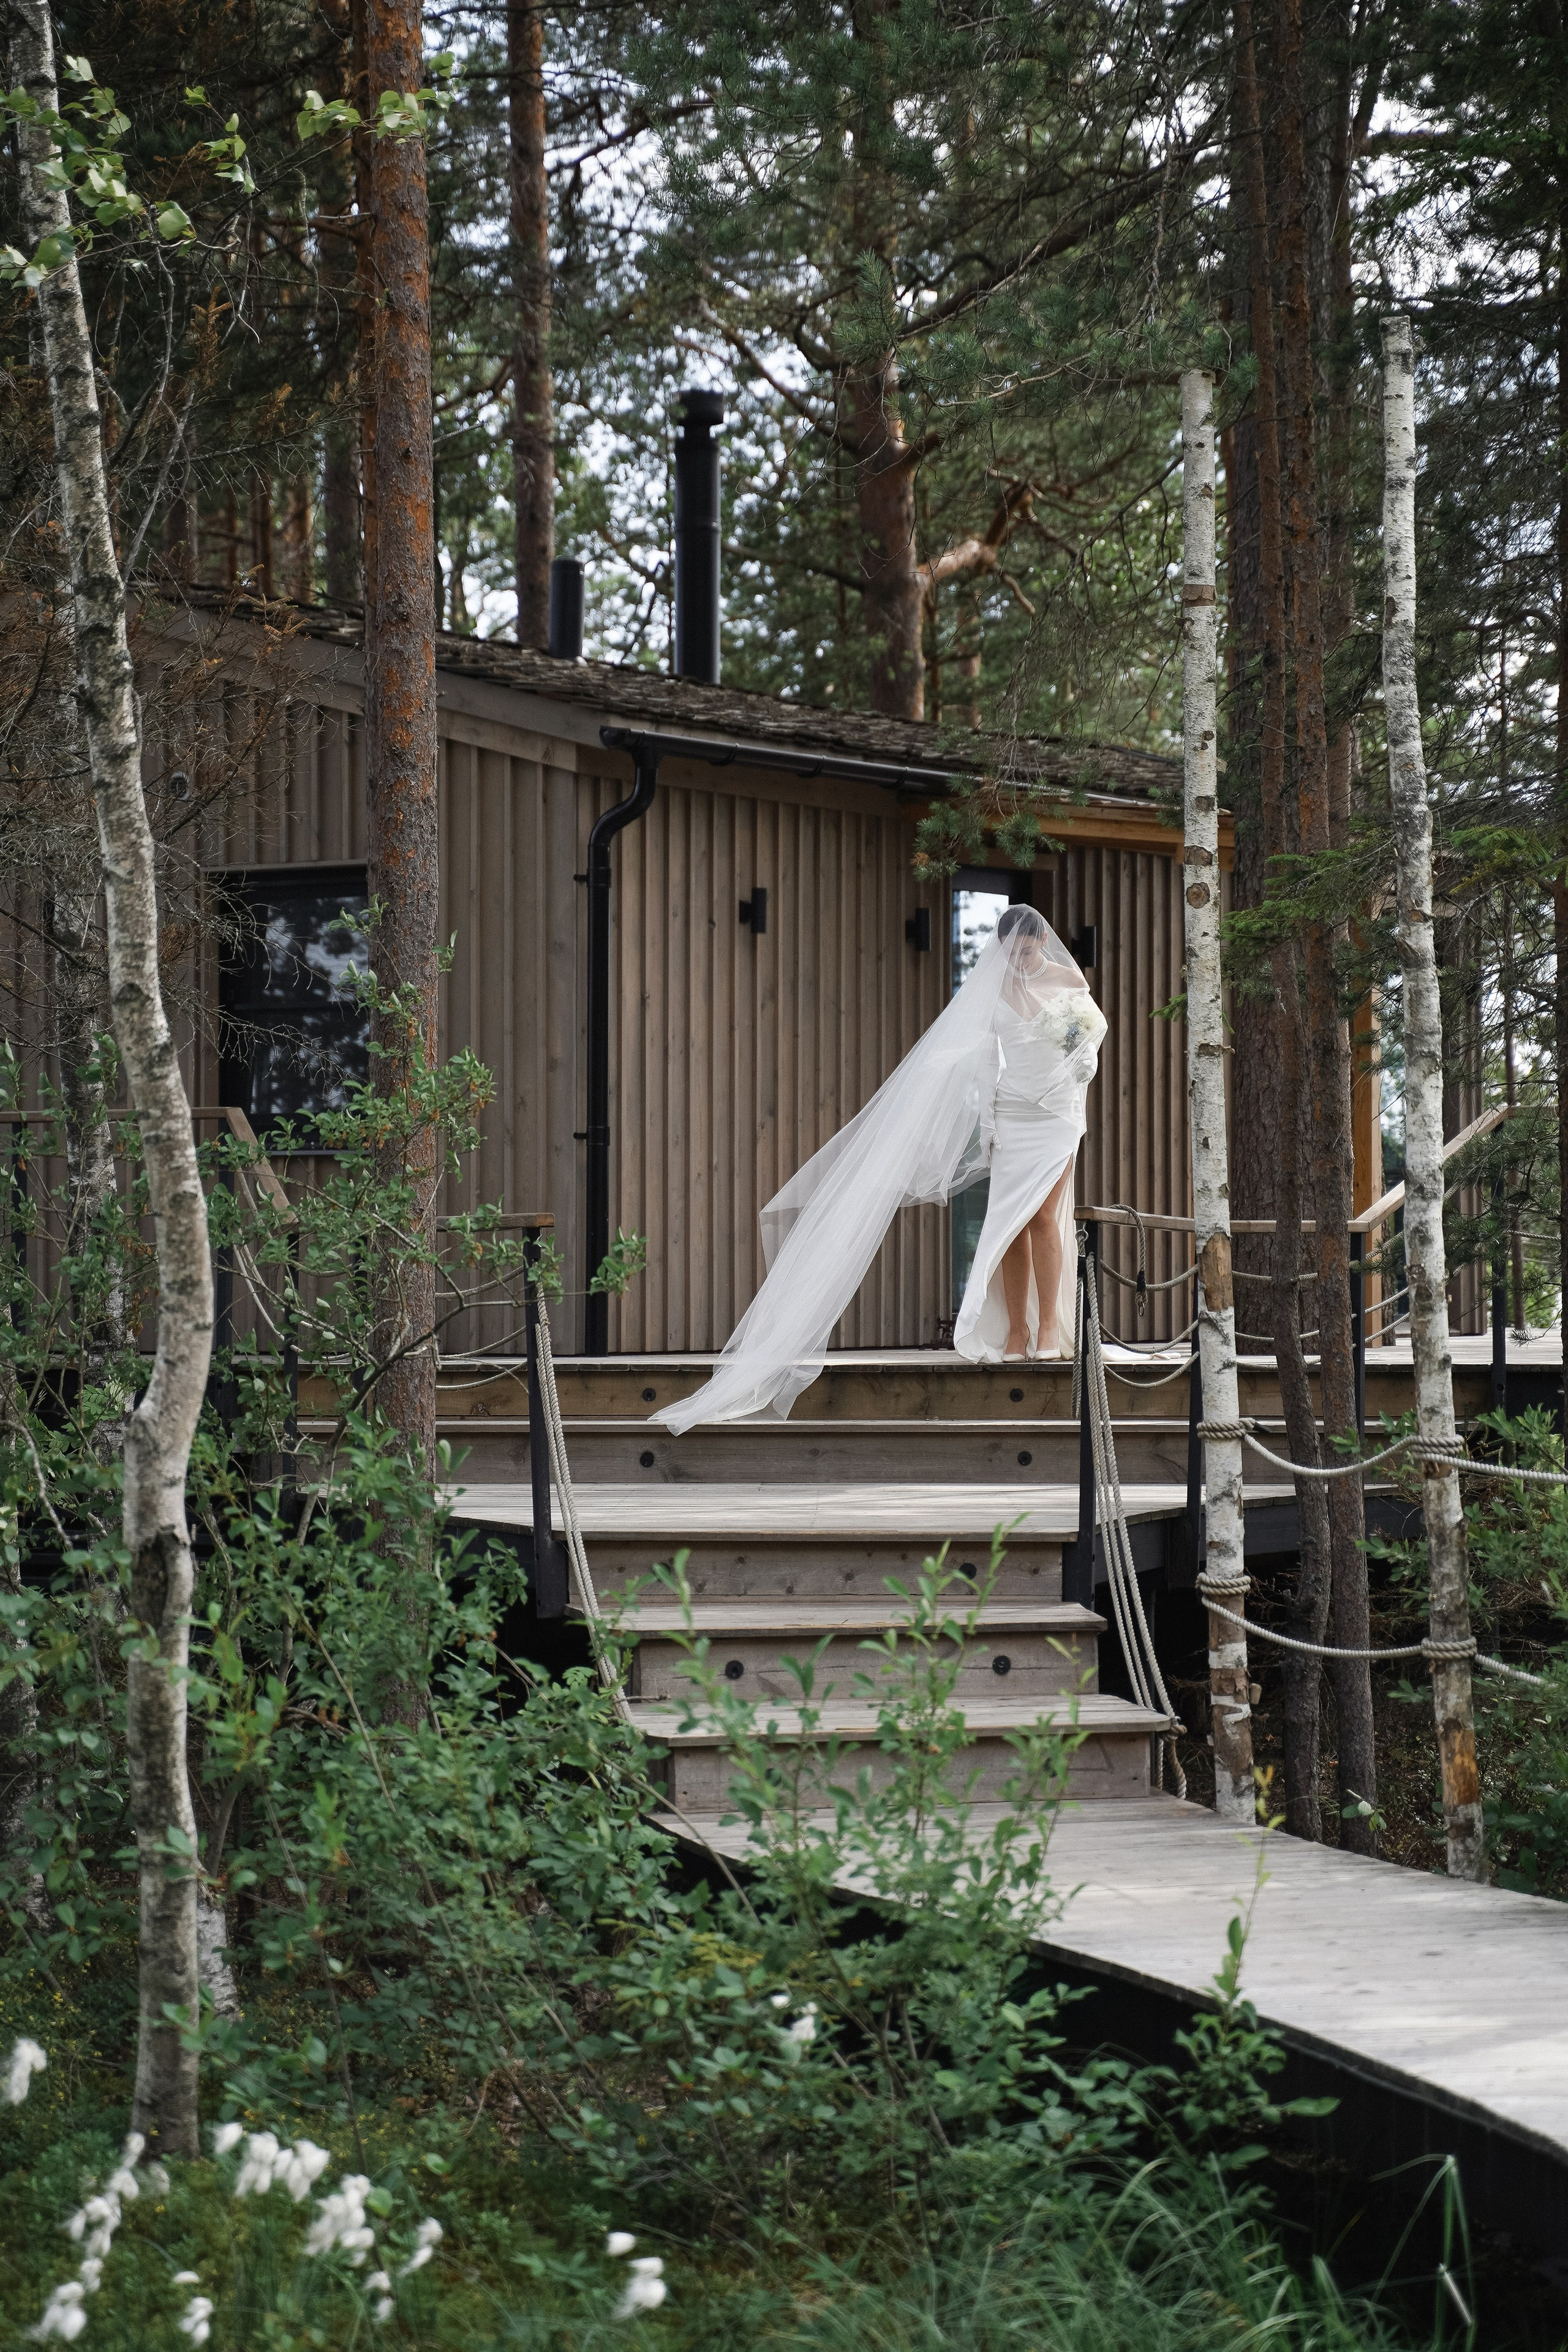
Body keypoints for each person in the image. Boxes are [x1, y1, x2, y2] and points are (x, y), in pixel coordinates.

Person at [655, 904, 1106, 1433]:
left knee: (1043, 1218)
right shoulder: (991, 988)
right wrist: (985, 1129)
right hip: (1012, 1111)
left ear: (1040, 944)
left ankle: (1048, 1330)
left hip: (1056, 1111)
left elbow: (1088, 1037)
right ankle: (1013, 1334)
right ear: (1002, 948)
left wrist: (1078, 1066)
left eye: (1028, 951)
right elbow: (979, 1058)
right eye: (1012, 952)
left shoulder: (1065, 978)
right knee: (1008, 1221)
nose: (1020, 960)